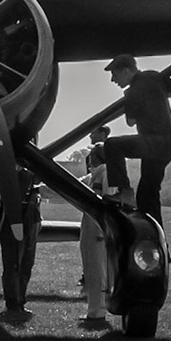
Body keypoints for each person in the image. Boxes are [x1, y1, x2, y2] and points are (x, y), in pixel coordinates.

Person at [100, 54, 171, 225]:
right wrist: (158, 96)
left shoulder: (133, 91)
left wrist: (130, 99)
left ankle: (125, 191)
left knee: (113, 145)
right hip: (168, 144)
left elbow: (131, 122)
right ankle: (155, 238)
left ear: (126, 71)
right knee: (148, 195)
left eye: (115, 75)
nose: (113, 80)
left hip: (153, 143)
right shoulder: (153, 76)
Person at [79, 126, 113, 327]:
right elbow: (70, 185)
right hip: (88, 228)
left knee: (98, 272)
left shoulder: (106, 173)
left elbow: (109, 202)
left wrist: (104, 230)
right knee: (91, 270)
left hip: (98, 230)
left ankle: (97, 313)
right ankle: (95, 310)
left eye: (92, 154)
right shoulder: (92, 176)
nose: (89, 158)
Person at [0, 165, 41, 320]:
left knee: (27, 263)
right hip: (14, 218)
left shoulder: (31, 173)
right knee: (13, 262)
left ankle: (20, 300)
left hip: (32, 216)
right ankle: (13, 303)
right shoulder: (8, 172)